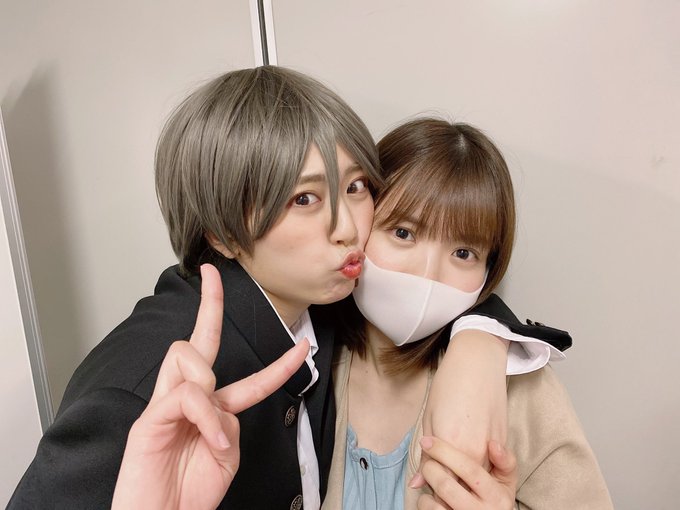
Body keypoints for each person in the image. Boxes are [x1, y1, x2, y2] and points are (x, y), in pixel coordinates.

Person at [9, 67, 568, 509]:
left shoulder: (324, 311)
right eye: (304, 198)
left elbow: (439, 279)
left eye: (356, 187)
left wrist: (479, 341)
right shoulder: (142, 385)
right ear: (223, 233)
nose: (348, 227)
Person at [321, 118, 613, 509]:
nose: (427, 273)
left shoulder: (522, 391)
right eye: (403, 233)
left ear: (488, 270)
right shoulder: (307, 355)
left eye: (463, 253)